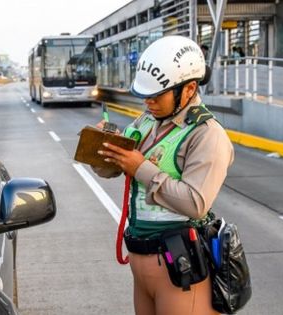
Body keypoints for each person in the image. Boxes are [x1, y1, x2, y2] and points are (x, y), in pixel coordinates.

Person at [93, 35, 234, 315]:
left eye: (157, 95)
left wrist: (140, 168)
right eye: (145, 95)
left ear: (189, 88)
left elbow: (196, 203)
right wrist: (102, 148)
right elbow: (112, 169)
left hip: (178, 266)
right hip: (141, 259)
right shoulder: (147, 122)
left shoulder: (207, 134)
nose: (149, 102)